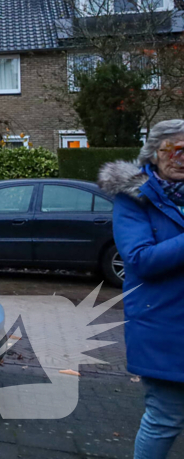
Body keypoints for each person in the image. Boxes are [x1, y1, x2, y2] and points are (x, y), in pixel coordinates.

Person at [99, 119, 184, 459]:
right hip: (164, 328)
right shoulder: (134, 199)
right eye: (173, 149)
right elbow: (140, 259)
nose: (181, 157)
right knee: (165, 418)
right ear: (153, 153)